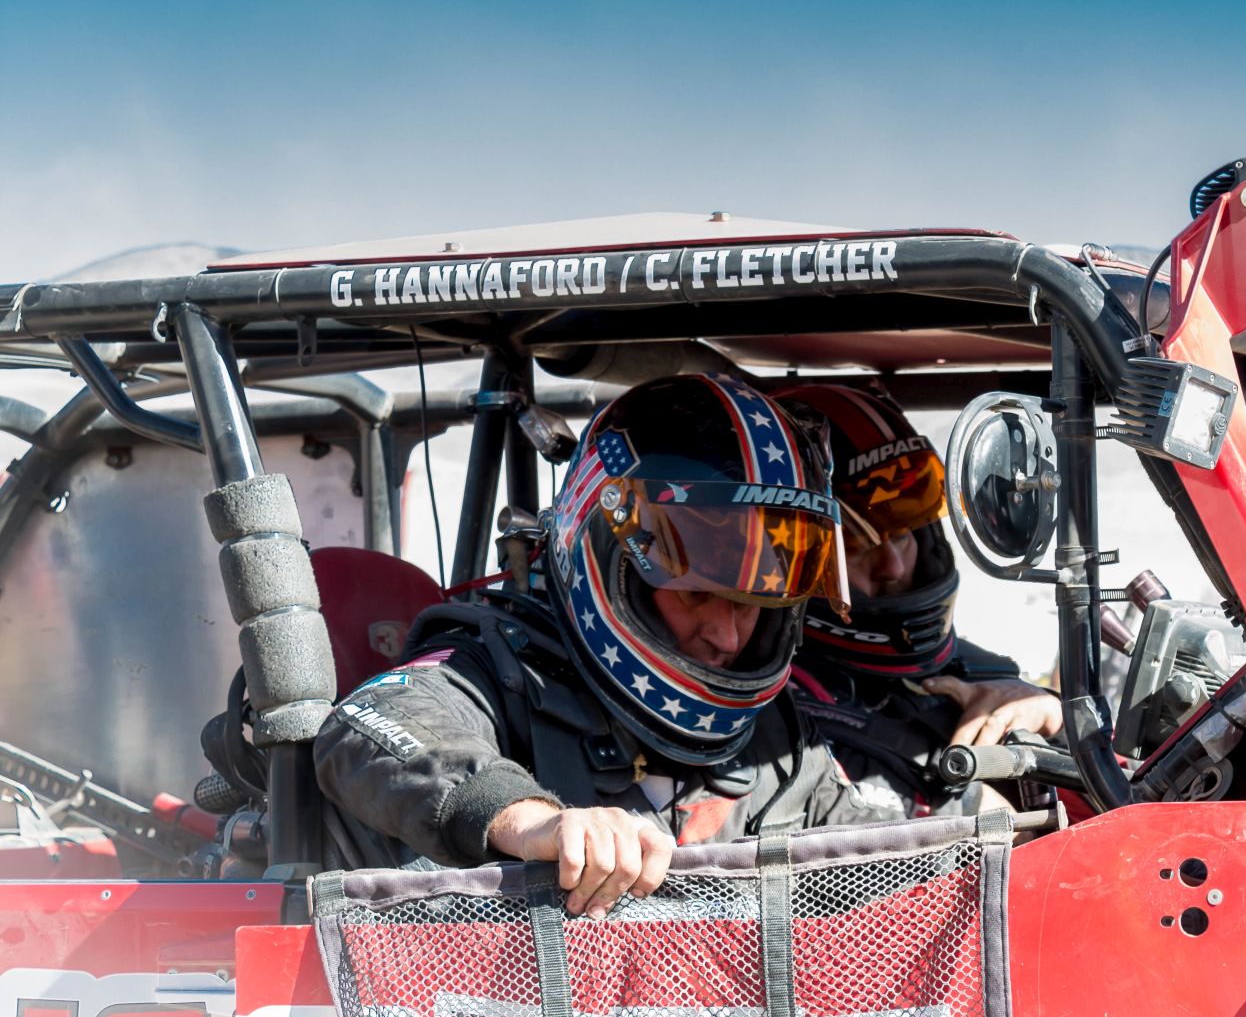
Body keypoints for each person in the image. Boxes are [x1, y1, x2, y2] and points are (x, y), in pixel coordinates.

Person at [314, 373, 902, 916]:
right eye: (696, 596)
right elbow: (368, 723)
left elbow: (891, 866)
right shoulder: (501, 672)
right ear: (611, 562)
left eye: (751, 606)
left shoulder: (777, 737)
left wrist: (990, 793)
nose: (726, 636)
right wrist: (534, 822)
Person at [771, 382, 1061, 817]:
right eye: (856, 546)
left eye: (903, 534)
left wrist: (1051, 720)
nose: (893, 566)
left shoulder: (980, 673)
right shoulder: (775, 714)